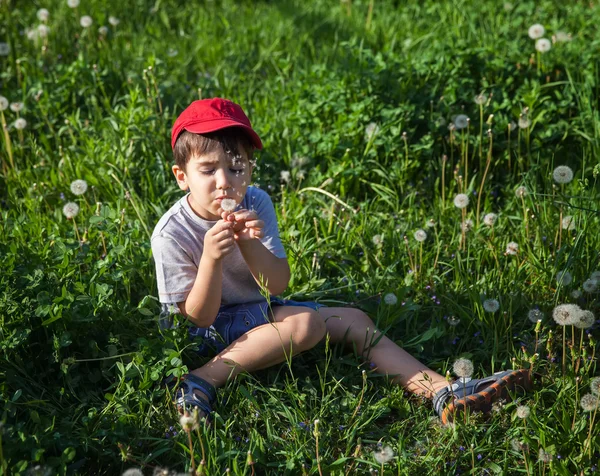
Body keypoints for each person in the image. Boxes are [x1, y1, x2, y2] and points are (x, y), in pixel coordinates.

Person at [151, 98, 531, 426]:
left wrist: (249, 246)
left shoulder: (256, 202)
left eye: (237, 168)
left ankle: (443, 392)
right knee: (305, 324)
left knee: (354, 320)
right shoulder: (172, 232)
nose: (224, 182)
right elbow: (195, 317)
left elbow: (277, 284)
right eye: (208, 170)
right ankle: (199, 379)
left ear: (249, 168)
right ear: (182, 177)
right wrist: (212, 259)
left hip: (256, 308)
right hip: (203, 331)